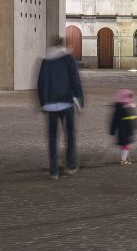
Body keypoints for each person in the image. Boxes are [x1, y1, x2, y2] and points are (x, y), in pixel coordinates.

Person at [37, 35, 85, 180]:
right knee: (70, 135)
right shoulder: (68, 59)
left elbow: (40, 83)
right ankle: (70, 165)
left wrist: (42, 102)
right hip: (66, 103)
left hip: (50, 104)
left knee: (52, 137)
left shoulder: (45, 61)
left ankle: (53, 171)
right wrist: (80, 103)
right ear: (62, 45)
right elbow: (75, 81)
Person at [109, 89, 137, 165]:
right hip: (128, 129)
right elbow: (135, 118)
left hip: (122, 129)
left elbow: (114, 120)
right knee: (126, 145)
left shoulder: (118, 107)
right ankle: (123, 160)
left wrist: (112, 131)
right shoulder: (130, 107)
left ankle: (124, 158)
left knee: (124, 144)